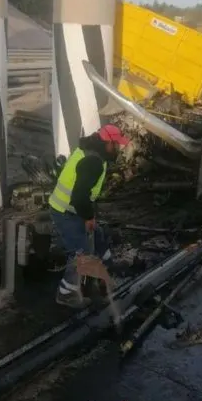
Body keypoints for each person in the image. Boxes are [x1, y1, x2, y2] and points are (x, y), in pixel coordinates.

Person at [49, 124, 130, 308]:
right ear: (108, 143)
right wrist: (88, 217)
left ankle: (107, 267)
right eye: (116, 144)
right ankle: (66, 293)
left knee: (98, 234)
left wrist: (89, 216)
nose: (118, 149)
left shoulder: (90, 152)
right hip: (65, 211)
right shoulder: (93, 162)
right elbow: (79, 196)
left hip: (72, 207)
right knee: (81, 252)